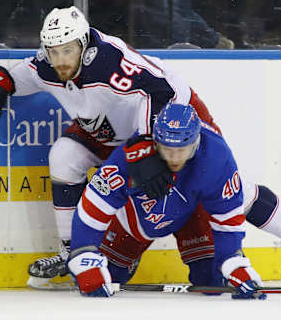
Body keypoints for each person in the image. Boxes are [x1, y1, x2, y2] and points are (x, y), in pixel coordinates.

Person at [0, 6, 281, 288]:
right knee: (63, 156)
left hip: (170, 116)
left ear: (84, 45)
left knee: (212, 183)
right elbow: (20, 74)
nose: (61, 59)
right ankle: (71, 253)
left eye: (68, 50)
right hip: (115, 133)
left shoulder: (112, 61)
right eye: (54, 51)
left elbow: (162, 91)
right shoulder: (51, 63)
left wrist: (147, 145)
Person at [68, 103, 265, 299]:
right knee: (107, 278)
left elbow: (228, 217)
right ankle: (124, 258)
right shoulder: (131, 156)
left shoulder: (216, 156)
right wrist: (85, 258)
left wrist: (234, 264)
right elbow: (94, 203)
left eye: (182, 150)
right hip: (139, 219)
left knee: (211, 281)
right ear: (154, 141)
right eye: (167, 150)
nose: (175, 158)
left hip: (193, 214)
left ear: (196, 142)